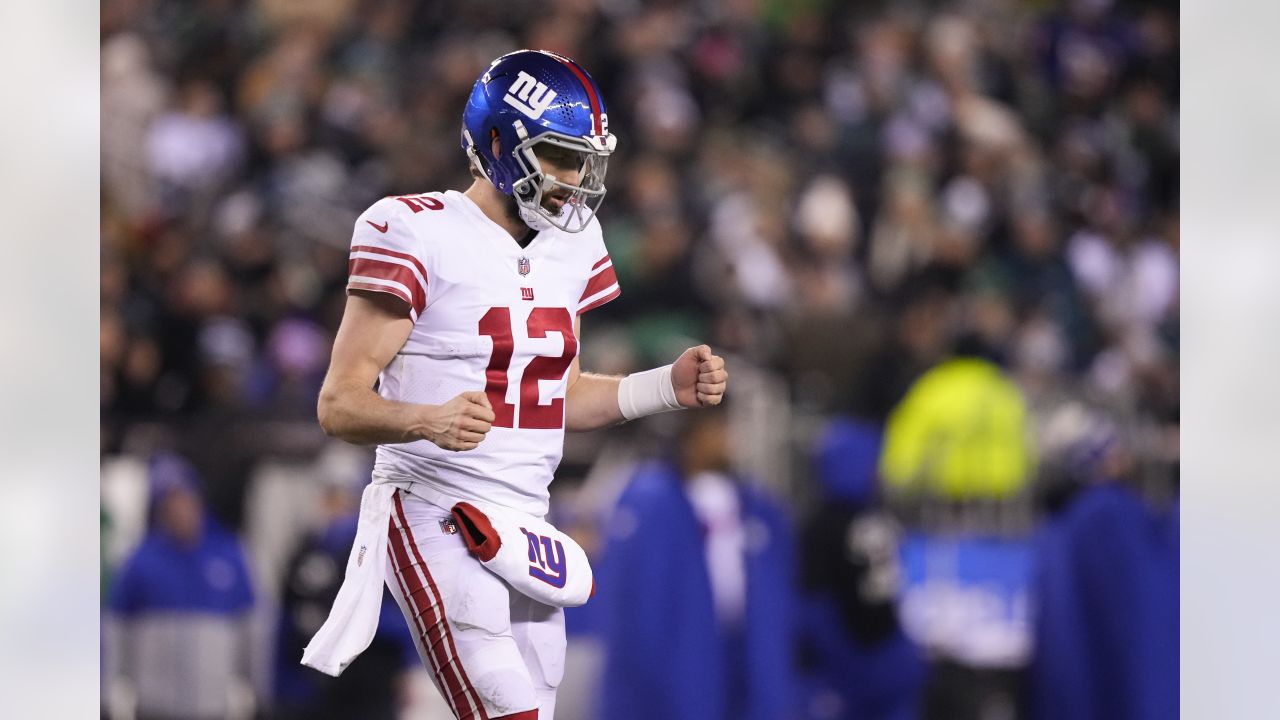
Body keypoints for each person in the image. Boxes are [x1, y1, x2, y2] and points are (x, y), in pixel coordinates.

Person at [306, 49, 728, 720]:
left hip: (526, 523)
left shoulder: (572, 243)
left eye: (586, 160)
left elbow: (554, 398)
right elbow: (339, 403)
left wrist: (664, 387)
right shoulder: (416, 230)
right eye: (560, 156)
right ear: (499, 142)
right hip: (433, 507)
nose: (577, 179)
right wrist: (425, 419)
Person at [598, 404, 794, 720]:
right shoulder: (649, 500)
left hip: (740, 655)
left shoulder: (756, 505)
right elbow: (633, 609)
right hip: (678, 661)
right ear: (689, 433)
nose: (725, 438)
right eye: (714, 428)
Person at [103, 453, 257, 720]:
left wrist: (255, 689)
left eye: (185, 498)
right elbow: (116, 633)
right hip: (155, 706)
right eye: (169, 502)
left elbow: (251, 629)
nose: (179, 509)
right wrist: (110, 693)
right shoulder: (140, 561)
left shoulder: (228, 556)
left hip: (212, 706)